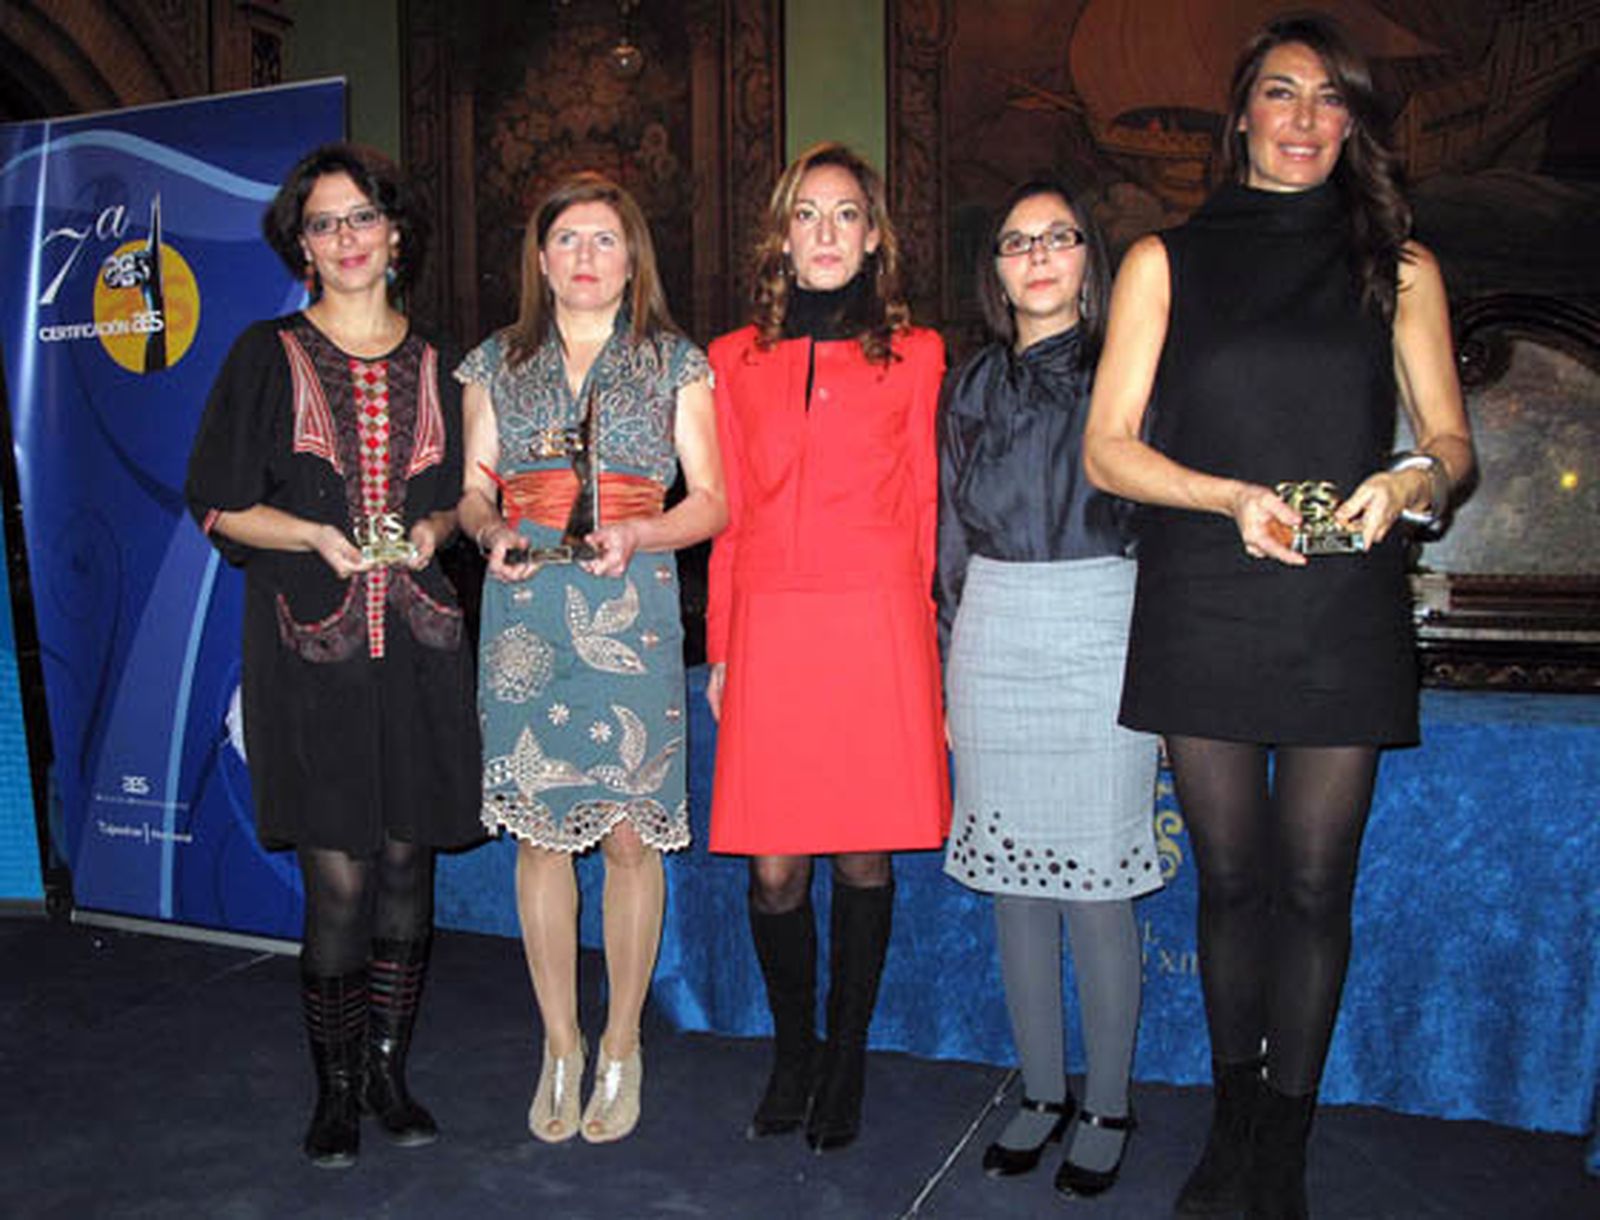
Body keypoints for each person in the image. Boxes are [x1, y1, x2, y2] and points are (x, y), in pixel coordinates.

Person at [1083, 15, 1474, 1219]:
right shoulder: (1165, 261)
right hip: (1205, 590)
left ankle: (1285, 1143)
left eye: (1328, 100)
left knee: (1316, 884)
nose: (1304, 119)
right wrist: (1225, 494)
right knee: (1229, 880)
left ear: (1351, 123)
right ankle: (1233, 1117)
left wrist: (1414, 481)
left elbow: (1453, 441)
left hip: (1339, 599)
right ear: (1240, 112)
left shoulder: (1398, 265)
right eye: (1281, 94)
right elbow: (1106, 451)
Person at [186, 143, 481, 1168]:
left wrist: (442, 529)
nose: (346, 238)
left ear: (395, 234)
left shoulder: (447, 361)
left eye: (362, 218)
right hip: (309, 658)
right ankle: (336, 1087)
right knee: (340, 879)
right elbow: (217, 502)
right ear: (301, 246)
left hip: (421, 652)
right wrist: (310, 535)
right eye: (324, 223)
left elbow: (468, 495)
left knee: (408, 861)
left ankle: (393, 1070)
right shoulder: (264, 353)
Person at [455, 172, 724, 1146]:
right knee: (540, 834)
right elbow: (473, 490)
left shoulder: (675, 362)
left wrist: (641, 536)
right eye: (566, 238)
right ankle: (559, 1041)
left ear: (631, 256)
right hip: (526, 610)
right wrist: (489, 532)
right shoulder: (495, 359)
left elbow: (713, 501)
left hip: (633, 605)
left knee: (625, 835)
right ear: (540, 257)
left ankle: (621, 1042)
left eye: (603, 238)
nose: (583, 255)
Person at [705, 141, 950, 1153]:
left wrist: (930, 651)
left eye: (846, 214)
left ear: (874, 235)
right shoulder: (730, 359)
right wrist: (720, 646)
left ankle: (844, 1055)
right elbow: (722, 514)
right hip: (769, 621)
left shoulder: (921, 354)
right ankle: (793, 1048)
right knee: (772, 870)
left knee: (860, 853)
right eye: (807, 214)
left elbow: (928, 510)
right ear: (780, 234)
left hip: (876, 623)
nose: (825, 233)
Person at [937, 179, 1160, 1198]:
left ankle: (1107, 1098)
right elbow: (946, 534)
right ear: (995, 268)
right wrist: (945, 660)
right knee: (1015, 882)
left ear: (1087, 258)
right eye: (1014, 240)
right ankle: (1038, 1089)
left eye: (1056, 238)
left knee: (1099, 889)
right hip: (992, 623)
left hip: (1103, 621)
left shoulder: (1132, 372)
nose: (1035, 256)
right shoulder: (970, 382)